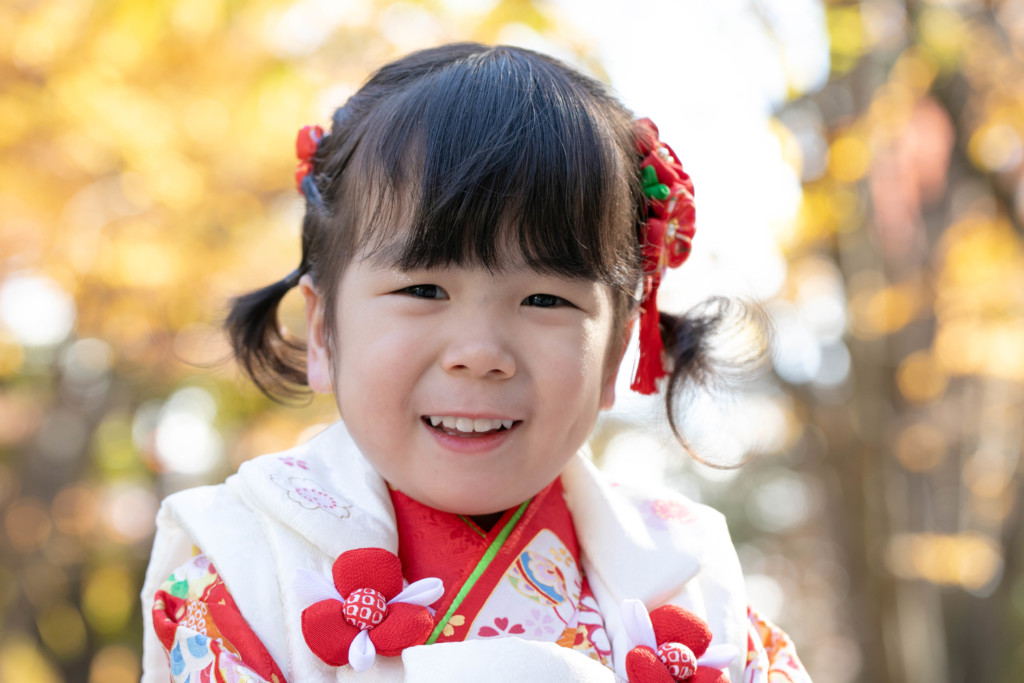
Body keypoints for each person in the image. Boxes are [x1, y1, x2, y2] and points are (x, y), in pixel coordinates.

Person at [141, 43, 811, 682]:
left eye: (545, 298)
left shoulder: (696, 594)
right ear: (324, 331)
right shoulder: (241, 569)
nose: (481, 353)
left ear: (615, 354)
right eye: (424, 289)